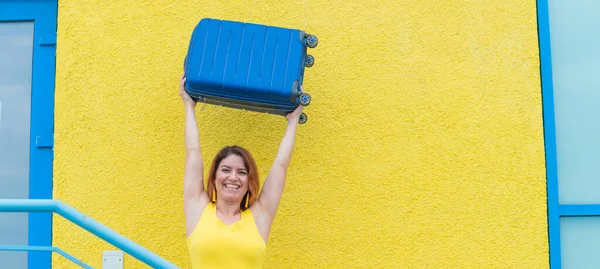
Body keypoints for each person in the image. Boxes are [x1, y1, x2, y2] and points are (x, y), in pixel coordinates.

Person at [179, 73, 304, 268]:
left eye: (242, 172)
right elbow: (192, 152)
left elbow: (281, 165)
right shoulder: (197, 208)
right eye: (226, 170)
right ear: (214, 178)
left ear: (248, 182)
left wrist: (293, 121)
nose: (233, 177)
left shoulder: (259, 217)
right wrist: (189, 105)